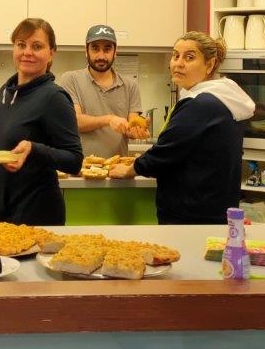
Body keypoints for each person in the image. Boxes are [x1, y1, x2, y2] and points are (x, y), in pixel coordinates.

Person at [109, 31, 255, 225]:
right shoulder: (224, 98)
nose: (178, 63)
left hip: (191, 213)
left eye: (189, 57)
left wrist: (130, 169)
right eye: (175, 55)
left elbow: (167, 151)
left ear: (209, 65)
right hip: (213, 207)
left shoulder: (201, 104)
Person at [0, 18, 82, 225]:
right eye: (21, 45)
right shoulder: (5, 92)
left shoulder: (54, 97)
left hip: (36, 215)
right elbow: (5, 148)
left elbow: (74, 160)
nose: (27, 52)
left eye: (37, 46)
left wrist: (34, 148)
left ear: (51, 53)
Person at [58, 24, 148, 159]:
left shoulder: (130, 85)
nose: (101, 55)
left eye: (107, 49)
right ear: (86, 50)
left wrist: (137, 130)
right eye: (95, 48)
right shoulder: (70, 79)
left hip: (116, 170)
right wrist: (108, 119)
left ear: (115, 51)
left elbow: (130, 127)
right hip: (79, 169)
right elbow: (74, 121)